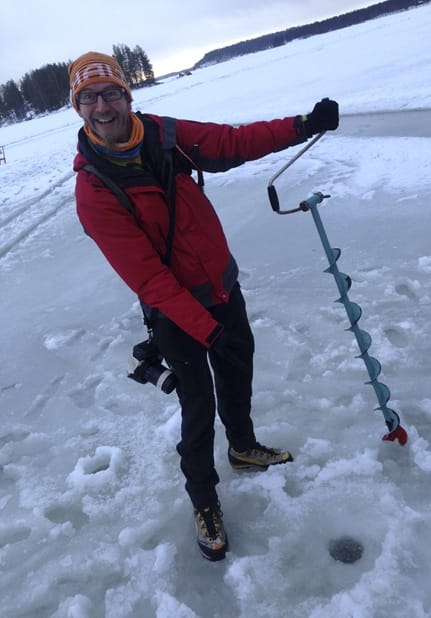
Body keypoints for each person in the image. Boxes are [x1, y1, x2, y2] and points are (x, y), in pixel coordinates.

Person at [69, 51, 339, 561]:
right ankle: (204, 500)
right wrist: (204, 329)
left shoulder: (166, 136)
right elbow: (148, 277)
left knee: (238, 377)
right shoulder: (94, 189)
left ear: (127, 96)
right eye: (89, 98)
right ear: (78, 109)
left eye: (110, 93)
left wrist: (303, 125)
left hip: (223, 288)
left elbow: (231, 142)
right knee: (198, 408)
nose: (102, 106)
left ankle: (243, 447)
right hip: (176, 315)